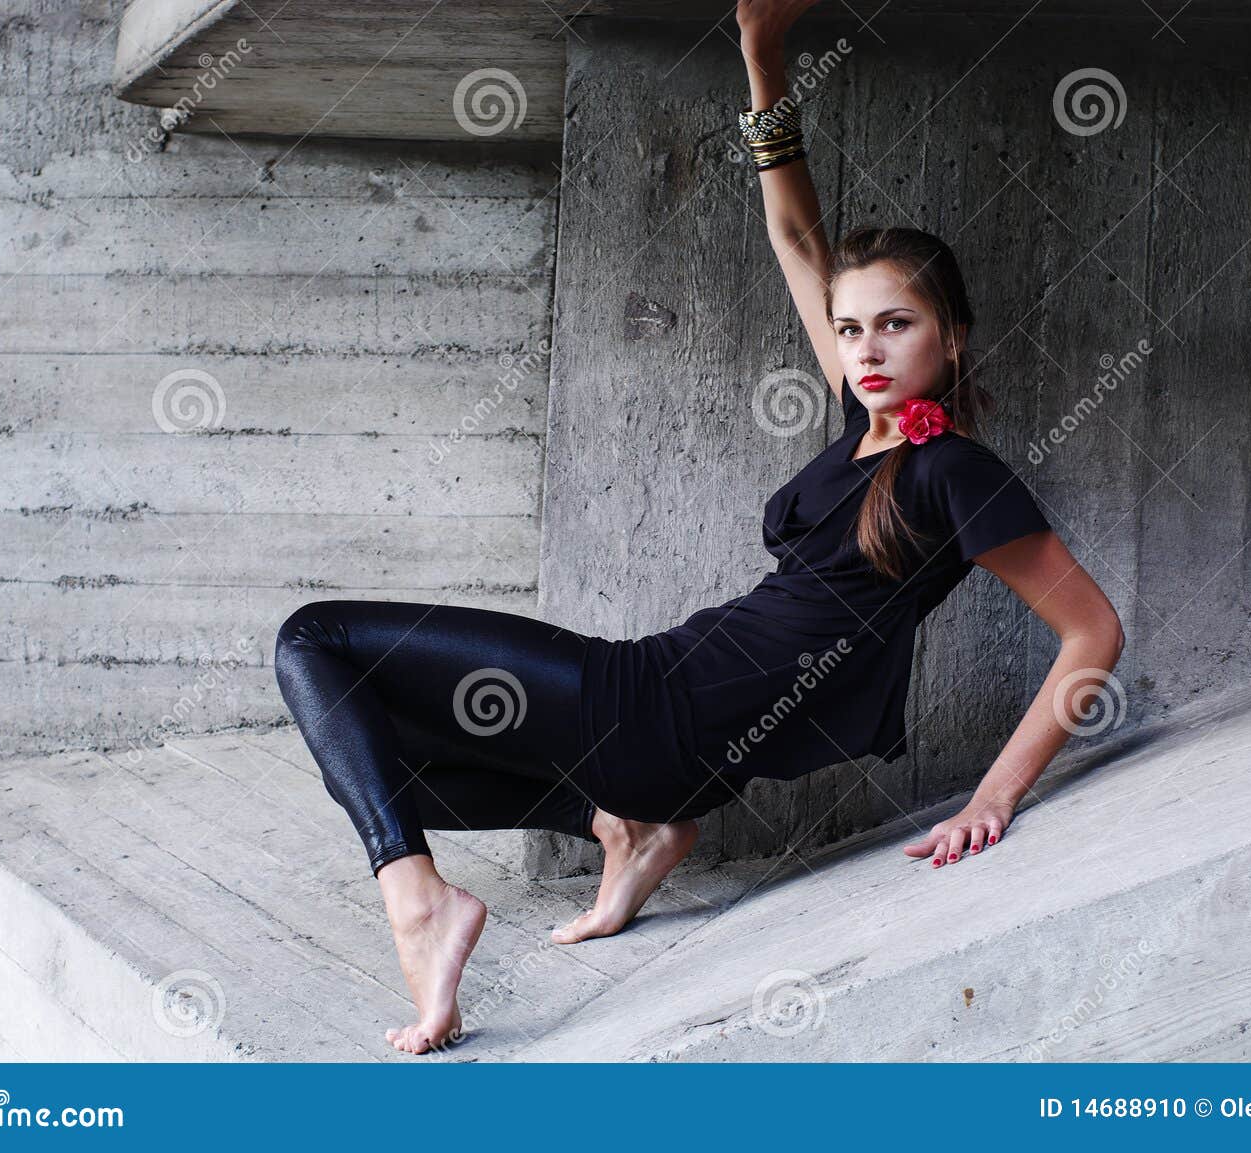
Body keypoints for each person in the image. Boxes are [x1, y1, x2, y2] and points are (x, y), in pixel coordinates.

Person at [274, 0, 1125, 1056]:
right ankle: (618, 824)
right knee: (374, 757)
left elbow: (1092, 635)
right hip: (676, 741)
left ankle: (422, 905)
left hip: (645, 706)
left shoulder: (954, 472)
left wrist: (992, 799)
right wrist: (760, 55)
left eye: (895, 326)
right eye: (850, 326)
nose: (863, 347)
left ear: (951, 339)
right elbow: (793, 233)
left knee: (313, 641)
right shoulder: (868, 424)